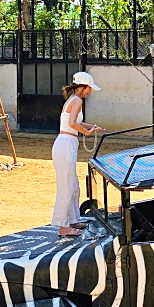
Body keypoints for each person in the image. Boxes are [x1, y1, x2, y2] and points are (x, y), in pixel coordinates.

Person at [53, 71, 104, 237]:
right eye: (89, 88)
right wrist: (87, 133)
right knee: (67, 186)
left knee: (73, 184)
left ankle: (73, 219)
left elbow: (77, 122)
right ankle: (63, 226)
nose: (89, 92)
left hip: (67, 143)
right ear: (82, 87)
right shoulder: (77, 101)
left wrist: (91, 127)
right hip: (66, 143)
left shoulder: (73, 100)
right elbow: (72, 123)